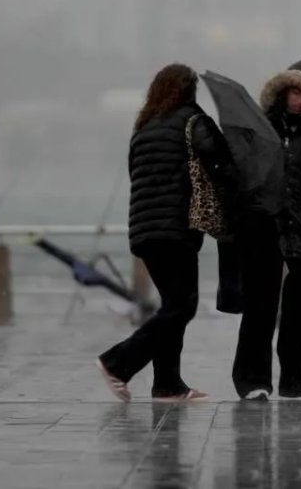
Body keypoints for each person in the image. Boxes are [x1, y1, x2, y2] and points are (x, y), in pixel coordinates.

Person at [96, 64, 238, 403]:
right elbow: (222, 164)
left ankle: (167, 385)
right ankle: (117, 362)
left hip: (144, 229)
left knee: (172, 305)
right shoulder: (193, 121)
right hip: (176, 228)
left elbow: (137, 174)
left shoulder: (143, 126)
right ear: (189, 91)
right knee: (182, 306)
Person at [233, 59, 301, 401]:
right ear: (283, 91)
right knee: (260, 306)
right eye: (295, 92)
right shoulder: (262, 125)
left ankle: (297, 379)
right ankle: (252, 380)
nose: (299, 101)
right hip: (265, 222)